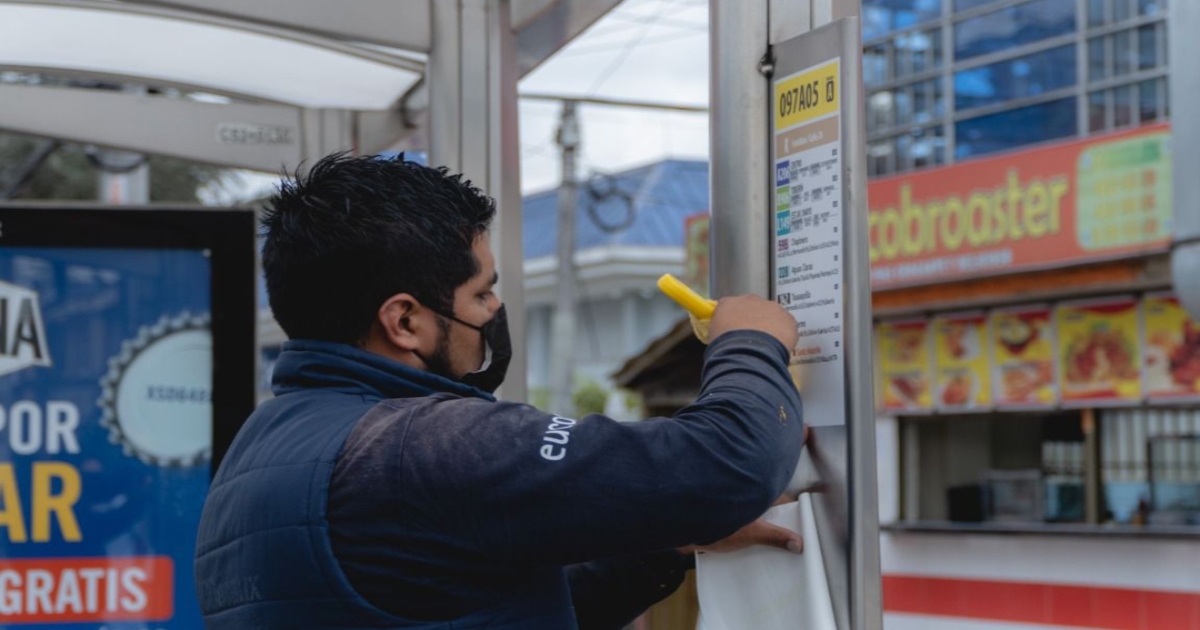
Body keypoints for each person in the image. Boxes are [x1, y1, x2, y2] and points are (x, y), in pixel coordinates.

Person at [194, 154, 807, 630]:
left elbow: (473, 608)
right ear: (404, 321)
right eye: (481, 294)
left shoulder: (265, 445)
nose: (495, 310)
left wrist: (659, 542)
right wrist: (750, 341)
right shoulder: (419, 445)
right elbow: (727, 463)